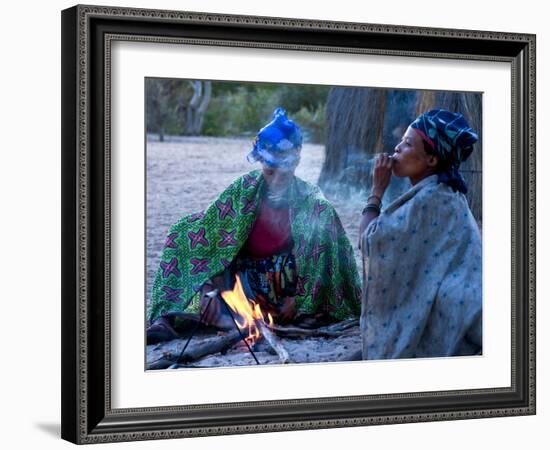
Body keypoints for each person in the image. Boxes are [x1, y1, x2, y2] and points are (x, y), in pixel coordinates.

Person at [147, 108, 361, 343]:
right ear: (261, 163)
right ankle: (165, 319)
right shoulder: (243, 190)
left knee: (324, 225)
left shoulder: (312, 203)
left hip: (290, 291)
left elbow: (326, 258)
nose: (276, 179)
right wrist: (211, 283)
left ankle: (295, 315)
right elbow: (212, 235)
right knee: (181, 233)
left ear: (296, 163)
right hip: (247, 285)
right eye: (270, 171)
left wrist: (298, 298)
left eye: (284, 171)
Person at [359, 109, 482, 359]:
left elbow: (369, 241)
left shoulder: (428, 200)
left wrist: (377, 190)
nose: (396, 148)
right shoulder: (445, 193)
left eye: (407, 144)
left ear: (432, 160)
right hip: (464, 305)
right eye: (401, 142)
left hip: (457, 314)